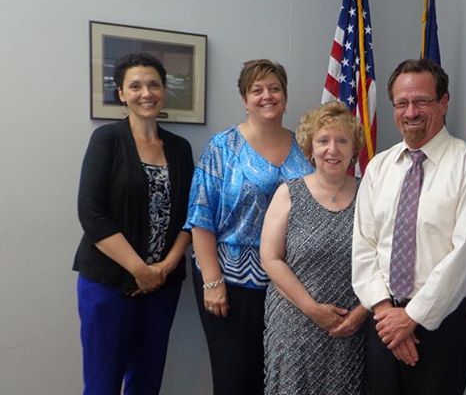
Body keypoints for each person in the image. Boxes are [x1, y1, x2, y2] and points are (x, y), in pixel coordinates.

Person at [352, 58, 466, 394]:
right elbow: (364, 246)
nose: (411, 112)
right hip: (382, 319)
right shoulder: (379, 167)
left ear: (444, 102)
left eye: (421, 101)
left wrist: (412, 317)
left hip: (442, 325)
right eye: (401, 103)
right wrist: (389, 315)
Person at [185, 59, 313, 395]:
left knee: (277, 378)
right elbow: (200, 216)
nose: (267, 96)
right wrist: (212, 282)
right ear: (244, 99)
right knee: (234, 379)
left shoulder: (306, 146)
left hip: (288, 284)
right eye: (257, 90)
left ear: (285, 96)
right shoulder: (222, 147)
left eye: (274, 88)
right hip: (232, 283)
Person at [74, 52, 194, 394]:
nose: (146, 93)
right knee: (102, 382)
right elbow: (91, 213)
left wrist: (165, 268)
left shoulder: (180, 148)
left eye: (154, 84)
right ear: (122, 93)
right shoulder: (107, 140)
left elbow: (192, 214)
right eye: (136, 86)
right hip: (108, 283)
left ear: (164, 90)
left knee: (147, 380)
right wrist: (139, 269)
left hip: (163, 286)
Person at [261, 101, 368, 394]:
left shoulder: (370, 193)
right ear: (310, 147)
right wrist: (312, 308)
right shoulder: (289, 193)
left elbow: (383, 259)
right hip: (294, 325)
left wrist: (361, 312)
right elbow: (270, 259)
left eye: (342, 140)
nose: (332, 150)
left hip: (350, 328)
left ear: (353, 148)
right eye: (323, 141)